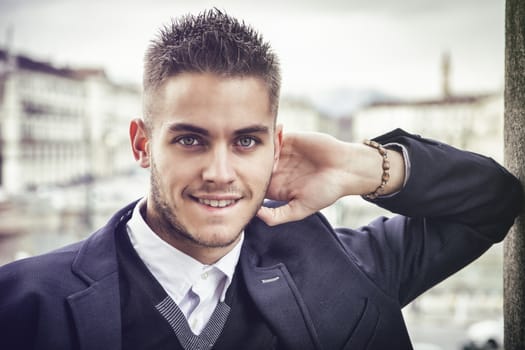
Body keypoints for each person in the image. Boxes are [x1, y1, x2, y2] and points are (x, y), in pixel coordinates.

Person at [0, 8, 522, 350]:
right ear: (141, 143)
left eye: (246, 141)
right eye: (189, 139)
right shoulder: (21, 302)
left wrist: (361, 167)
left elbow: (493, 199)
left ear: (275, 143)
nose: (219, 173)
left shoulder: (345, 268)